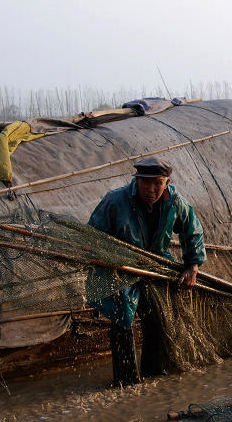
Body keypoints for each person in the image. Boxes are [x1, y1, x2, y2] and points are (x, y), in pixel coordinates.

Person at [87, 156, 206, 386]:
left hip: (156, 266)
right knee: (122, 315)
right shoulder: (115, 201)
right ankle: (126, 381)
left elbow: (193, 231)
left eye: (158, 183)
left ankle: (153, 375)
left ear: (167, 182)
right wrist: (107, 259)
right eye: (146, 183)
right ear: (137, 180)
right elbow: (92, 237)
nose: (151, 189)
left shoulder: (174, 202)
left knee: (157, 316)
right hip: (121, 268)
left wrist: (192, 266)